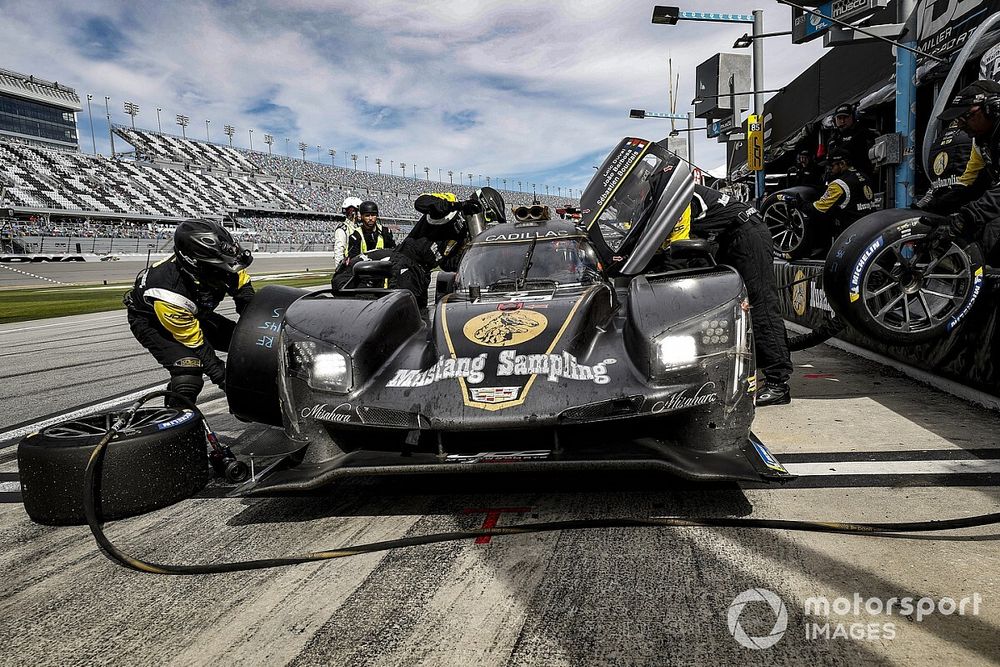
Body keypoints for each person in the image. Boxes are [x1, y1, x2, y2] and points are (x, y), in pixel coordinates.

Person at [659, 183, 793, 406]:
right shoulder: (668, 191)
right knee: (733, 307)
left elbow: (676, 244)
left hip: (747, 234)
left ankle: (778, 384)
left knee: (759, 306)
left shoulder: (676, 193)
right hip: (729, 237)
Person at [124, 219, 254, 407]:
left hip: (194, 313)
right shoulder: (168, 294)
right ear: (196, 266)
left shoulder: (227, 263)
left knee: (247, 341)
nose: (228, 272)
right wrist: (230, 386)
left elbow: (245, 296)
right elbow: (200, 348)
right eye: (219, 268)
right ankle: (174, 425)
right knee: (189, 372)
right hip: (151, 321)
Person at [918, 80, 1000, 263]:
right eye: (958, 119)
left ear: (992, 108)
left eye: (966, 116)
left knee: (992, 233)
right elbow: (971, 184)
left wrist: (967, 217)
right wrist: (934, 207)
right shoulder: (981, 142)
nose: (960, 124)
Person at [800, 146, 876, 249]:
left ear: (842, 164)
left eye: (831, 166)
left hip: (850, 236)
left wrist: (801, 204)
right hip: (870, 231)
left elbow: (818, 209)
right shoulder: (864, 177)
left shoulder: (838, 184)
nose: (829, 169)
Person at [827, 102, 879, 179]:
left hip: (860, 176)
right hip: (838, 179)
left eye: (845, 117)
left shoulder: (863, 133)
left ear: (852, 117)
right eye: (839, 118)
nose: (842, 121)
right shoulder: (832, 139)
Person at [333, 196, 362, 272]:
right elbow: (339, 251)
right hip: (349, 267)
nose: (361, 214)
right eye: (359, 211)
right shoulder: (343, 229)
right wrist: (340, 272)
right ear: (352, 212)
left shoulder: (358, 227)